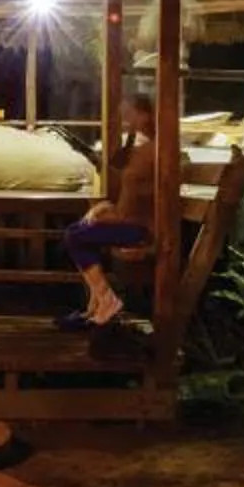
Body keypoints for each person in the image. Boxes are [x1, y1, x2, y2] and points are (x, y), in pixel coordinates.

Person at [63, 94, 158, 330]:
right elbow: (128, 195)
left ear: (144, 114)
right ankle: (96, 305)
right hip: (133, 222)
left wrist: (105, 214)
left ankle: (106, 299)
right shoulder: (142, 148)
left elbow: (135, 206)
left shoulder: (153, 151)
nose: (125, 120)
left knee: (76, 236)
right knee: (78, 231)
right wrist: (104, 209)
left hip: (143, 228)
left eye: (129, 115)